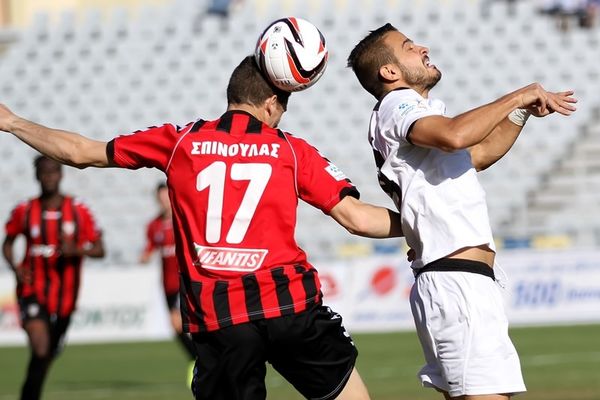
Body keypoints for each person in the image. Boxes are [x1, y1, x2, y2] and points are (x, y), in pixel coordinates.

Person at [0, 55, 403, 400]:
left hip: (220, 317)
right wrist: (426, 224)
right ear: (268, 104)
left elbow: (80, 153)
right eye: (282, 106)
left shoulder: (179, 142)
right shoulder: (290, 149)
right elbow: (358, 219)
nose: (280, 115)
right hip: (289, 306)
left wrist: (13, 121)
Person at [347, 23, 577, 400]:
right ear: (390, 72)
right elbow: (455, 135)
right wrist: (519, 96)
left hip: (458, 280)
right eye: (408, 47)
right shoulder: (398, 104)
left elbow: (477, 154)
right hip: (456, 282)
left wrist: (520, 115)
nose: (422, 47)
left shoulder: (412, 112)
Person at [3, 155, 105, 400]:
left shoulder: (78, 210)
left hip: (65, 299)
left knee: (46, 355)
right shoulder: (25, 210)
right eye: (44, 172)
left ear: (61, 174)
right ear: (37, 176)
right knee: (41, 348)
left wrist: (77, 250)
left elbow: (100, 249)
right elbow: (7, 244)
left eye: (53, 172)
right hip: (32, 290)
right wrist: (16, 268)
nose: (49, 177)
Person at [140, 182, 197, 363]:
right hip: (168, 284)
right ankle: (199, 359)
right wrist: (145, 256)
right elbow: (150, 248)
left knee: (184, 323)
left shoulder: (183, 219)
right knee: (176, 327)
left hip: (187, 279)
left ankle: (199, 360)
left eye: (166, 196)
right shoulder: (154, 225)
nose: (164, 201)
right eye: (161, 197)